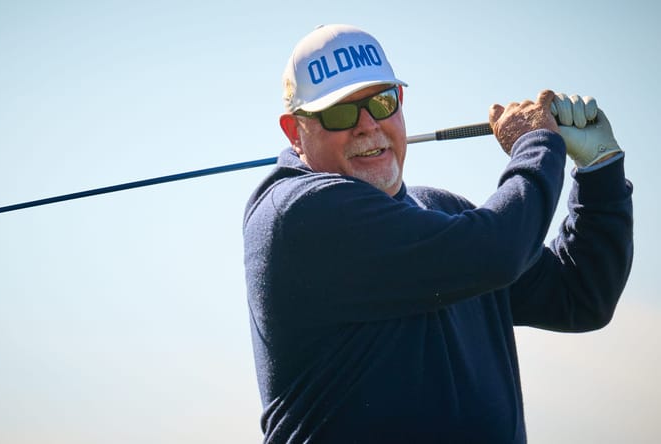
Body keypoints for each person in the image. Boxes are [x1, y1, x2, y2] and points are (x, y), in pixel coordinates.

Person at [242, 24, 633, 443]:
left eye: (381, 101)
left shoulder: (443, 214)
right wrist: (538, 144)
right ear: (294, 131)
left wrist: (599, 171)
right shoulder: (297, 213)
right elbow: (499, 250)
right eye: (340, 113)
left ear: (400, 102)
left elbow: (580, 295)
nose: (368, 125)